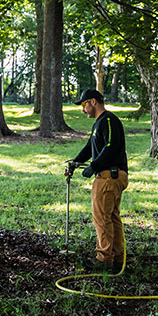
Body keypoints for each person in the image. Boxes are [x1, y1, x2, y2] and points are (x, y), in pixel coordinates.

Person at [66, 88, 128, 271]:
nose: (83, 109)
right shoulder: (98, 124)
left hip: (109, 176)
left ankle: (104, 258)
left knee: (102, 218)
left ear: (93, 101)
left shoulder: (109, 120)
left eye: (84, 105)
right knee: (112, 217)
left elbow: (110, 146)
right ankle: (117, 258)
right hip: (110, 175)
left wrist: (94, 166)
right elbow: (89, 147)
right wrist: (75, 163)